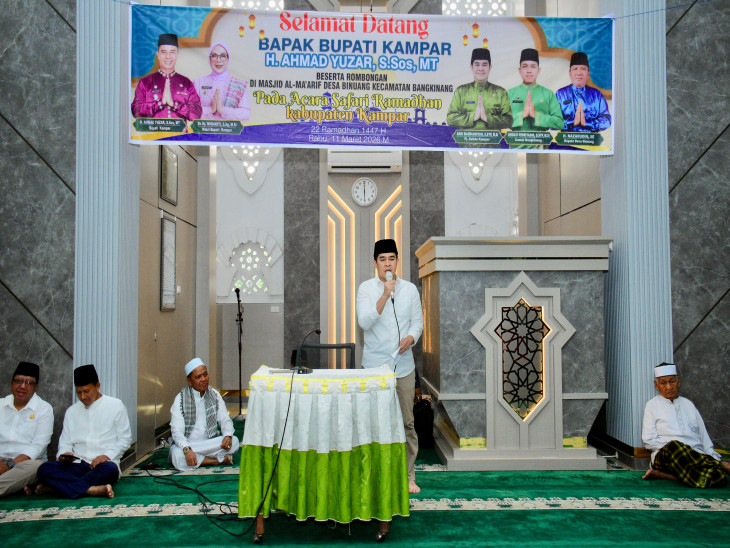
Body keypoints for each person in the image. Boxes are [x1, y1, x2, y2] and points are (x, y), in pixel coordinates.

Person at [356, 239, 424, 494]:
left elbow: (418, 323)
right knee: (373, 424)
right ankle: (374, 474)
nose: (388, 264)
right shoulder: (366, 289)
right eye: (383, 259)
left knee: (407, 423)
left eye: (392, 259)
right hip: (375, 367)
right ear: (375, 263)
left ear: (397, 261)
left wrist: (411, 338)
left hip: (403, 367)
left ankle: (408, 475)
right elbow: (364, 322)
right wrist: (385, 294)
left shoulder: (410, 290)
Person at [35, 364, 132, 499]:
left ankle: (56, 488)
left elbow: (125, 439)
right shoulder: (71, 411)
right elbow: (65, 443)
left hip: (102, 466)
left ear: (97, 386)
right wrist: (64, 454)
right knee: (44, 469)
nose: (83, 397)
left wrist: (107, 455)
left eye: (86, 391)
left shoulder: (116, 406)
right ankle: (91, 489)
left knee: (109, 470)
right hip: (77, 465)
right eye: (79, 392)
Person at [642, 362, 729, 488]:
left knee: (719, 477)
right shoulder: (652, 405)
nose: (668, 387)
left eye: (672, 382)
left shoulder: (688, 404)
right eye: (663, 383)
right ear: (656, 385)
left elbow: (704, 436)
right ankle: (720, 465)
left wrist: (709, 454)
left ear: (678, 382)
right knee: (675, 446)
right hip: (668, 455)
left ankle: (667, 476)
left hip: (695, 457)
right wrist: (679, 448)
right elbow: (648, 440)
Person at [169, 358, 239, 471]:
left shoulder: (214, 395)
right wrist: (187, 449)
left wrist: (227, 435)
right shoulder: (181, 399)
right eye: (198, 377)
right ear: (189, 381)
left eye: (205, 375)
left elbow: (225, 419)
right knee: (177, 454)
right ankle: (217, 460)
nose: (203, 379)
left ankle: (199, 459)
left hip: (210, 443)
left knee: (234, 442)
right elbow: (176, 431)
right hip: (190, 445)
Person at [0, 362, 53, 497]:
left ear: (36, 387)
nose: (22, 386)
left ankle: (14, 484)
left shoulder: (44, 409)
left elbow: (38, 447)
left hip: (25, 464)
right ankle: (16, 486)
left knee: (36, 467)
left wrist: (10, 465)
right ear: (11, 384)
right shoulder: (1, 405)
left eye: (29, 383)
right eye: (18, 381)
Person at [131, 33, 202, 122]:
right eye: (164, 52)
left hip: (180, 131)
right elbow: (136, 111)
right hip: (153, 131)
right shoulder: (145, 82)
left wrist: (174, 104)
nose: (168, 56)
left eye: (172, 52)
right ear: (158, 55)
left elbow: (196, 114)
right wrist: (160, 103)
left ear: (177, 55)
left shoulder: (186, 83)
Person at [446, 48, 513, 130]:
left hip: (492, 138)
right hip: (467, 138)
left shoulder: (500, 92)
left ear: (490, 67)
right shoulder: (461, 91)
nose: (481, 68)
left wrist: (487, 118)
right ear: (471, 67)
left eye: (484, 65)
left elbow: (509, 120)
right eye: (477, 65)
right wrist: (473, 117)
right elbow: (450, 118)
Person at [507, 48, 563, 131]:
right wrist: (522, 115)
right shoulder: (509, 94)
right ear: (520, 70)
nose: (529, 71)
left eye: (533, 66)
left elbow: (559, 123)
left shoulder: (548, 94)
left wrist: (535, 115)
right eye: (525, 66)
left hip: (541, 139)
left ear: (538, 70)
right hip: (516, 139)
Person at [194, 42, 251, 122]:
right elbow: (191, 111)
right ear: (209, 59)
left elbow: (246, 113)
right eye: (214, 55)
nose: (218, 60)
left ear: (228, 59)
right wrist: (210, 109)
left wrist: (223, 110)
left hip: (229, 129)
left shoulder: (239, 85)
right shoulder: (199, 83)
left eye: (223, 56)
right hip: (204, 129)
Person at [555, 51, 611, 133]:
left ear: (588, 74)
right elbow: (552, 121)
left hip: (591, 139)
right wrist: (572, 122)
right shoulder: (561, 94)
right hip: (566, 139)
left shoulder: (596, 95)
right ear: (570, 73)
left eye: (583, 69)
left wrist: (588, 123)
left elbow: (607, 120)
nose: (579, 73)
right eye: (575, 69)